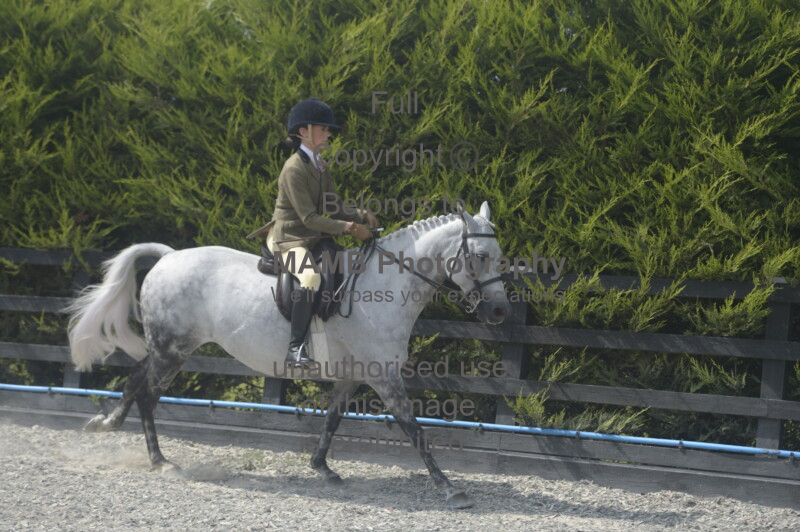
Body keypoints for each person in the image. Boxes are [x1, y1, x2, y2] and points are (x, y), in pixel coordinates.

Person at [267, 97, 378, 366]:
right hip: (289, 239)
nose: (328, 134)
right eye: (323, 129)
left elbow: (333, 206)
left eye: (328, 130)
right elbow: (309, 217)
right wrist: (349, 228)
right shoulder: (293, 169)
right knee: (310, 278)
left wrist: (361, 215)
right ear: (303, 132)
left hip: (311, 237)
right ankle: (295, 349)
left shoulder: (319, 165)